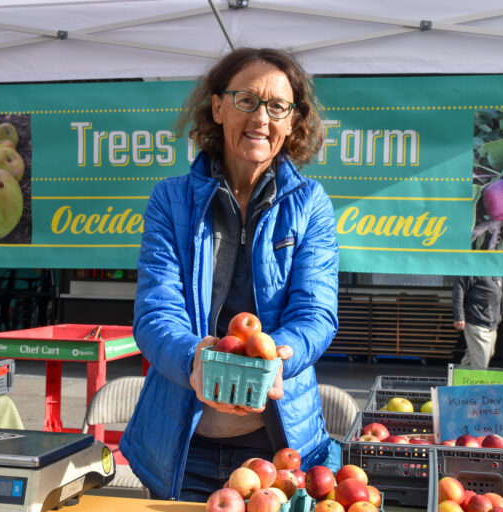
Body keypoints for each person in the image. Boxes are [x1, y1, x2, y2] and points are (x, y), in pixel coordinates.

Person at [119, 47, 340, 502]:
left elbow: (316, 313)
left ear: (293, 121)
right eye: (247, 101)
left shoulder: (310, 204)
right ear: (217, 107)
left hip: (280, 455)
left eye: (277, 106)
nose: (262, 117)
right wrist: (193, 358)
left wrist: (282, 355)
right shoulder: (171, 200)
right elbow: (156, 311)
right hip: (182, 452)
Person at [452, 276, 503, 369]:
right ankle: (478, 382)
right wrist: (459, 316)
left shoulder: (496, 271)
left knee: (482, 354)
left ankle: (459, 379)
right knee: (481, 358)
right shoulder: (473, 269)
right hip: (476, 319)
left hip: (492, 321)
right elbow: (459, 290)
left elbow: (499, 292)